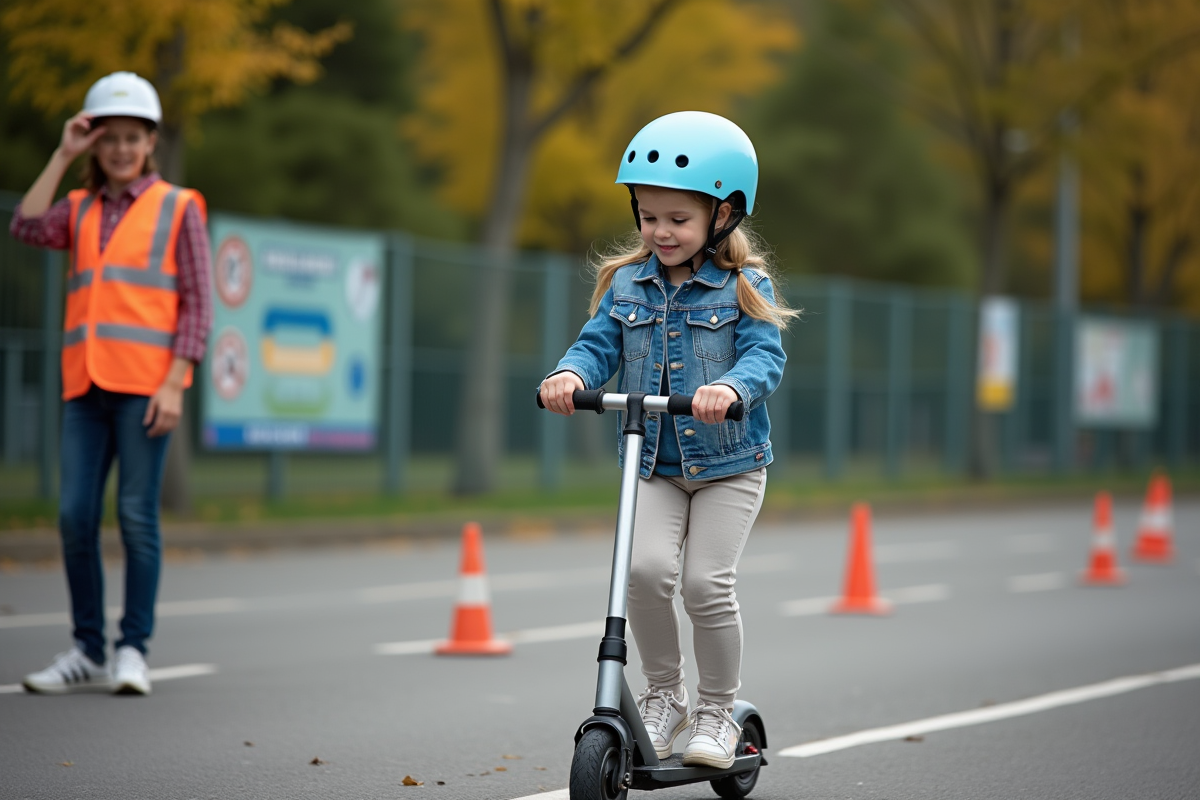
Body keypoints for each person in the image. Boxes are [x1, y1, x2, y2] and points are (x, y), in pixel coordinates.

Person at [539, 111, 797, 768]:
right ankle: (664, 695)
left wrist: (732, 389)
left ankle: (715, 711)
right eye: (648, 215)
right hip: (651, 460)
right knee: (645, 572)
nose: (660, 231)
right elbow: (598, 345)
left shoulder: (743, 286)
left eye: (677, 219)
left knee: (707, 585)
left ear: (724, 215)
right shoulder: (628, 283)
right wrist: (570, 374)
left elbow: (764, 358)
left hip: (728, 466)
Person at [10, 72, 213, 696]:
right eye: (109, 138)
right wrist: (62, 152)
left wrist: (176, 382)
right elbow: (25, 224)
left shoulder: (180, 206)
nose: (121, 149)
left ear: (150, 142)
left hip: (147, 389)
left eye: (133, 137)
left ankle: (133, 650)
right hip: (85, 388)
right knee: (74, 518)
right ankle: (86, 648)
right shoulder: (77, 209)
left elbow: (197, 304)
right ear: (95, 144)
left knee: (135, 517)